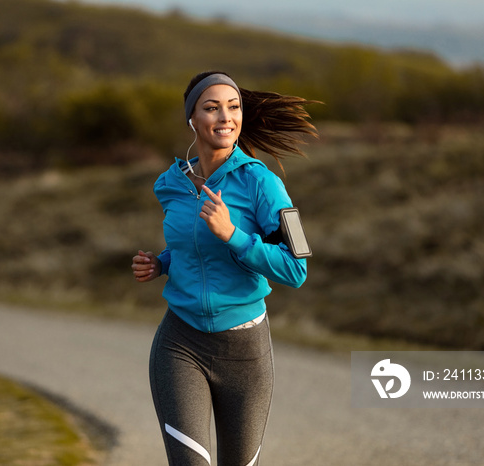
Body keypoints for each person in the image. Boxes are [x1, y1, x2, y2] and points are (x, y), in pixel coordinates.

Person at [131, 71, 317, 466]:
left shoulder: (263, 184)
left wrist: (232, 234)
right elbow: (190, 246)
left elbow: (296, 269)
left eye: (233, 108)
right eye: (211, 108)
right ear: (192, 120)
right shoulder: (170, 183)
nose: (225, 117)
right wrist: (161, 263)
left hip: (245, 353)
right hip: (180, 344)